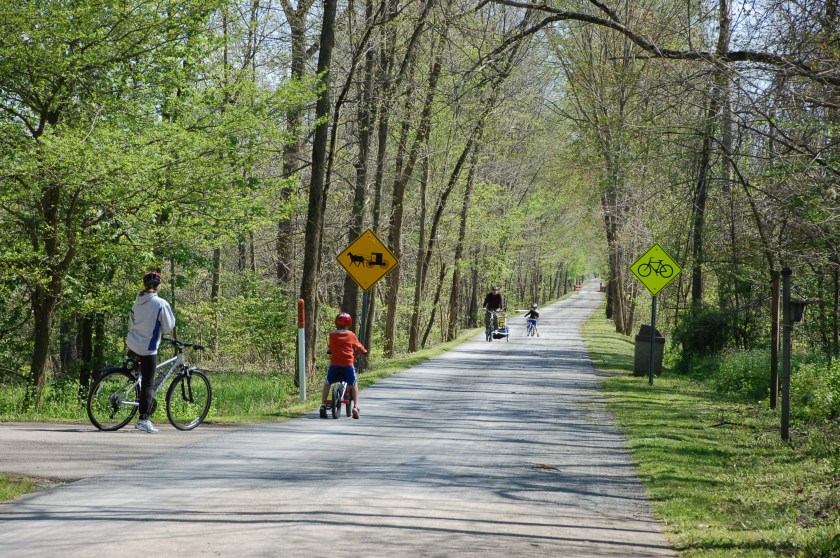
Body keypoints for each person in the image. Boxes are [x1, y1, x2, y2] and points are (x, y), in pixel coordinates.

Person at [126, 271, 176, 433]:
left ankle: (134, 393)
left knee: (138, 379)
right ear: (159, 286)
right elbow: (168, 327)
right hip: (148, 348)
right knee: (148, 384)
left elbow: (132, 322)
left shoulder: (137, 303)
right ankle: (143, 419)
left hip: (133, 345)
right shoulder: (160, 303)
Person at [320, 312, 367, 420]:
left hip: (335, 364)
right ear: (349, 323)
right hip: (347, 365)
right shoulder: (351, 335)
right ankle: (356, 407)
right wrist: (364, 351)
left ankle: (323, 404)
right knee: (354, 384)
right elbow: (360, 347)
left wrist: (330, 350)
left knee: (327, 383)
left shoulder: (332, 334)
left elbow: (331, 347)